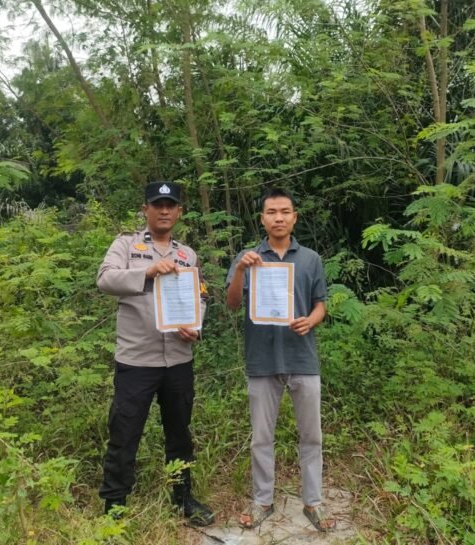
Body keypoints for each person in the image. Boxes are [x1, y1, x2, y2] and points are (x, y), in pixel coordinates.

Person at [96, 181, 214, 527]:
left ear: (179, 212)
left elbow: (201, 296)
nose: (164, 211)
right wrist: (146, 271)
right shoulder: (125, 245)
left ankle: (183, 498)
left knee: (179, 432)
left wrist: (196, 327)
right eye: (157, 205)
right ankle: (115, 507)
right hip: (136, 360)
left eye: (170, 205)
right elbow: (105, 280)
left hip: (178, 360)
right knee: (124, 432)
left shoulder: (187, 254)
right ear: (145, 209)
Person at [225, 188, 335, 532]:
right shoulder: (248, 258)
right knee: (261, 437)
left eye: (285, 211)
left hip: (303, 358)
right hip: (262, 359)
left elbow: (321, 304)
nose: (278, 218)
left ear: (294, 217)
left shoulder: (310, 259)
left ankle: (313, 501)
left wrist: (311, 321)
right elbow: (231, 303)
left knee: (311, 436)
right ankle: (262, 501)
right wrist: (241, 270)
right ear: (262, 219)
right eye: (271, 212)